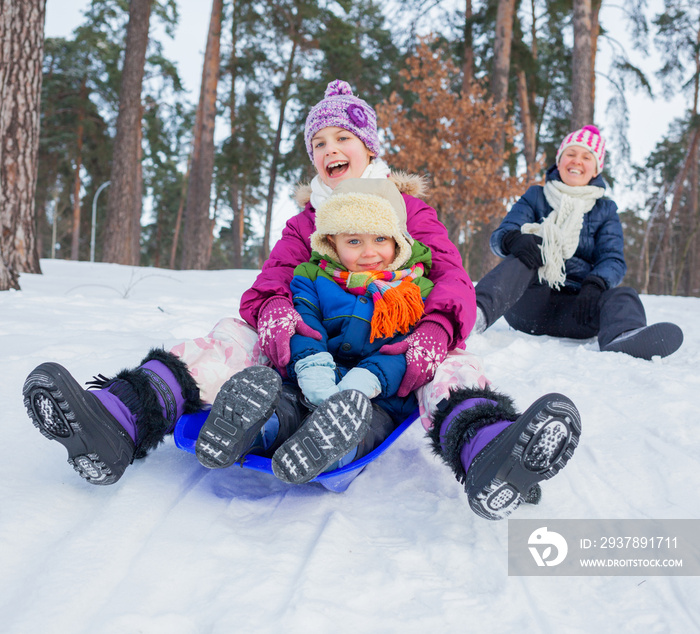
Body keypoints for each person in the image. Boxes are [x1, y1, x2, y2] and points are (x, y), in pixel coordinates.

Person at [22, 80, 581, 520]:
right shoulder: (306, 222)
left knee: (455, 359)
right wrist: (285, 326)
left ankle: (488, 451)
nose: (329, 150)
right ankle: (118, 420)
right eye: (318, 143)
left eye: (342, 138)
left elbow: (453, 282)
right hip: (312, 345)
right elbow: (268, 289)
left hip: (396, 347)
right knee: (230, 334)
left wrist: (431, 335)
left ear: (369, 148)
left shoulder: (411, 213)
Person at [472, 124, 683, 360]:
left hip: (579, 312)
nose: (577, 161)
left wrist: (595, 284)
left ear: (596, 170)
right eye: (570, 154)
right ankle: (473, 316)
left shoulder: (605, 209)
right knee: (524, 258)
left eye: (586, 157)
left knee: (624, 295)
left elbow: (613, 258)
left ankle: (623, 336)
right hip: (528, 306)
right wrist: (514, 239)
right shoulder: (536, 196)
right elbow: (502, 234)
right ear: (559, 161)